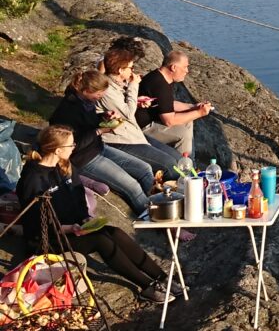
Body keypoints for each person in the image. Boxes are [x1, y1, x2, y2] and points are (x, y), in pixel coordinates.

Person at [17, 125, 174, 303]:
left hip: (75, 227)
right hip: (50, 238)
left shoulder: (65, 166)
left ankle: (162, 277)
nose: (74, 147)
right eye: (71, 145)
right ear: (58, 150)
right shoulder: (33, 179)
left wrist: (84, 218)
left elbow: (78, 197)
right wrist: (70, 228)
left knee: (115, 233)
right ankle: (146, 286)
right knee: (102, 241)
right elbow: (38, 223)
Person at [49, 69, 155, 217]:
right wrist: (99, 131)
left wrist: (103, 117)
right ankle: (155, 218)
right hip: (83, 159)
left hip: (98, 148)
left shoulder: (86, 102)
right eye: (99, 94)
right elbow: (73, 145)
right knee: (132, 186)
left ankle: (158, 204)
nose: (102, 97)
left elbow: (88, 123)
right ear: (86, 90)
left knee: (145, 169)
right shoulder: (67, 111)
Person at [97, 46, 181, 175]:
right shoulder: (107, 89)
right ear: (120, 70)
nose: (132, 71)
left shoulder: (118, 84)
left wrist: (137, 101)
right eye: (131, 68)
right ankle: (173, 192)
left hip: (132, 133)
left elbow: (121, 106)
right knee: (169, 164)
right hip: (119, 139)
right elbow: (128, 114)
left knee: (178, 158)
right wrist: (133, 85)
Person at [135, 50, 212, 156]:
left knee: (187, 122)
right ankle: (184, 168)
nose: (187, 71)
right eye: (185, 67)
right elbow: (169, 121)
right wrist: (199, 113)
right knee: (183, 133)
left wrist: (193, 107)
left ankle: (188, 162)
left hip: (152, 121)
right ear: (173, 67)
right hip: (143, 127)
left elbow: (167, 104)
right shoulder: (159, 84)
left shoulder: (162, 77)